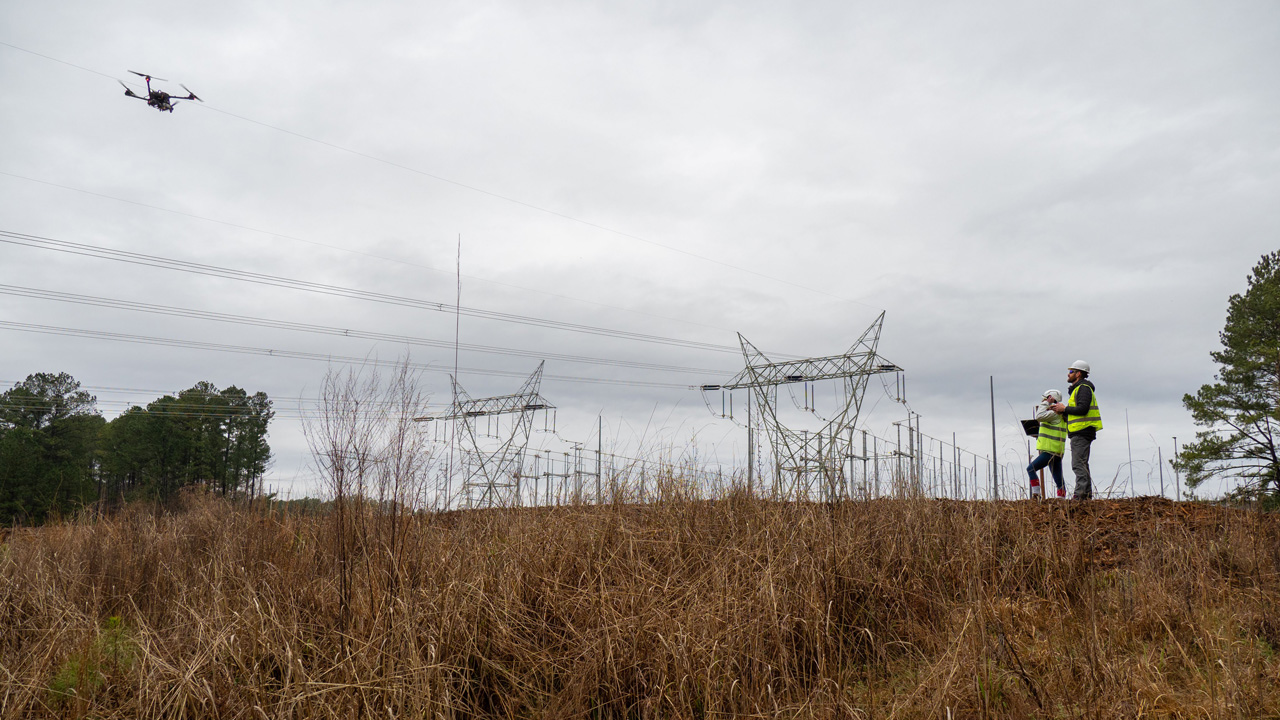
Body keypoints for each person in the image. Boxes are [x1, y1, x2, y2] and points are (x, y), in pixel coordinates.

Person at [1050, 360, 1102, 500]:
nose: (1069, 374)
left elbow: (1083, 409)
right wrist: (1061, 411)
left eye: (1071, 371)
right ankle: (1085, 496)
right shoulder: (1078, 389)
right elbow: (1077, 411)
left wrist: (1064, 409)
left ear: (1078, 374)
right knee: (1081, 464)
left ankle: (1080, 496)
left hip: (1082, 431)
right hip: (1080, 431)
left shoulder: (1083, 388)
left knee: (1078, 464)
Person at [1027, 389, 1067, 498]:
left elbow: (1039, 416)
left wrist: (1046, 403)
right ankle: (1062, 500)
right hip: (1057, 451)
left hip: (1050, 451)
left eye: (1045, 399)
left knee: (1030, 469)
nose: (1043, 401)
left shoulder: (1053, 414)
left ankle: (1036, 494)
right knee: (1059, 480)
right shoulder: (1061, 415)